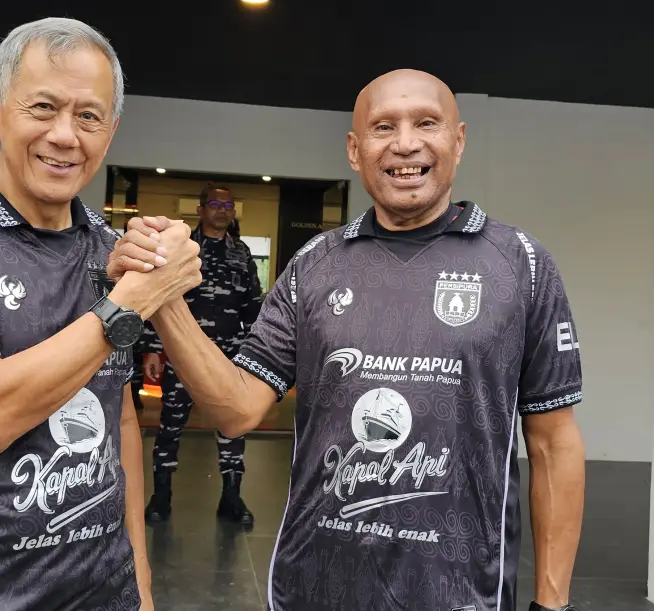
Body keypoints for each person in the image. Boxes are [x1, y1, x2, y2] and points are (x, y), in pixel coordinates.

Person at [110, 69, 587, 611]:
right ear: (355, 151)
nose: (405, 143)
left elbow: (554, 444)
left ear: (458, 141)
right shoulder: (314, 265)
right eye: (383, 127)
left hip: (461, 594)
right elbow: (236, 411)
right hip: (315, 589)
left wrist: (553, 603)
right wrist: (163, 297)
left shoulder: (522, 265)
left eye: (426, 123)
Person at [0, 18, 201, 611]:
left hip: (102, 588)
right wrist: (132, 300)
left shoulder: (108, 247)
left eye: (89, 116)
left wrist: (140, 583)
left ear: (110, 133)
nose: (65, 135)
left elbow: (119, 420)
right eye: (43, 107)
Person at [140, 185, 262, 525]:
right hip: (182, 354)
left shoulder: (242, 253)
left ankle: (231, 497)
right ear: (201, 209)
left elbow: (253, 306)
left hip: (229, 357)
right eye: (216, 204)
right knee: (170, 426)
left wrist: (255, 353)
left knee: (233, 426)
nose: (223, 210)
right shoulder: (182, 249)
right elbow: (158, 296)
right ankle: (161, 496)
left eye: (228, 205)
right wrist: (152, 348)